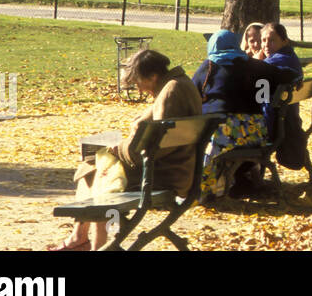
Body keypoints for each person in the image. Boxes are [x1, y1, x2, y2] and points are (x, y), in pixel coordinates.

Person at [49, 49, 201, 250]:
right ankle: (84, 239)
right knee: (95, 164)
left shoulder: (171, 92)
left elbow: (153, 149)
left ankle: (89, 242)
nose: (139, 88)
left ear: (153, 76)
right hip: (173, 169)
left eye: (138, 82)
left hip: (162, 176)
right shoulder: (178, 84)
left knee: (94, 169)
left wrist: (117, 149)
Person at [192, 29, 277, 198]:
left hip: (223, 135)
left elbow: (192, 94)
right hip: (257, 133)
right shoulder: (256, 66)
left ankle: (205, 189)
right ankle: (234, 180)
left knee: (198, 139)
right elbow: (277, 81)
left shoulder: (209, 67)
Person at [233, 22, 307, 194]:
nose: (266, 45)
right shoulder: (288, 59)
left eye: (272, 41)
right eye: (264, 40)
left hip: (271, 128)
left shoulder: (273, 65)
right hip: (285, 123)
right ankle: (249, 179)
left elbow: (261, 96)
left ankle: (240, 181)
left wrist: (255, 62)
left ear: (284, 41)